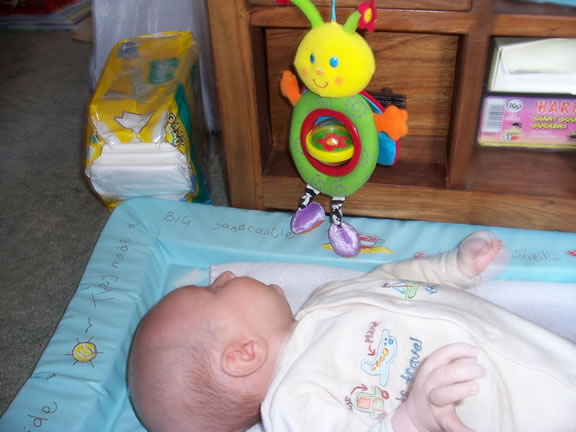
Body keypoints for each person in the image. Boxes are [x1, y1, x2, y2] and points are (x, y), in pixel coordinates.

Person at [128, 231, 576, 432]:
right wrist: (411, 421)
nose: (225, 275)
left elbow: (392, 278)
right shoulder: (293, 405)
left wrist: (452, 267)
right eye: (214, 290)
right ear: (244, 353)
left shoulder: (321, 300)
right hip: (507, 408)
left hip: (523, 342)